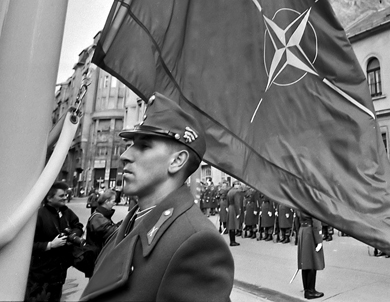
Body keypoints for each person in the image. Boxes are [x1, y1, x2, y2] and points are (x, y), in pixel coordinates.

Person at [80, 92, 234, 301]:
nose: (125, 156)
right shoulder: (135, 219)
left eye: (144, 146)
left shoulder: (196, 242)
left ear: (177, 161)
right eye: (131, 145)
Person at [26, 181, 84, 302]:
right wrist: (50, 245)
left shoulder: (66, 212)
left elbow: (78, 225)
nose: (65, 197)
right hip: (40, 275)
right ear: (49, 198)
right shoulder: (38, 216)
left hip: (59, 273)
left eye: (65, 195)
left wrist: (72, 235)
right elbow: (27, 246)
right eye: (61, 195)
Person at [297, 210, 325, 299]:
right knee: (312, 262)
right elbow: (316, 222)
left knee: (305, 262)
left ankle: (306, 289)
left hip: (303, 231)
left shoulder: (299, 202)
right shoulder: (309, 203)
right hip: (310, 233)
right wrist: (319, 240)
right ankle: (310, 291)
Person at [86, 189, 119, 259]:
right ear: (106, 201)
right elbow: (112, 232)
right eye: (113, 201)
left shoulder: (102, 214)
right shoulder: (97, 217)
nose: (114, 204)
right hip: (97, 257)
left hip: (99, 254)